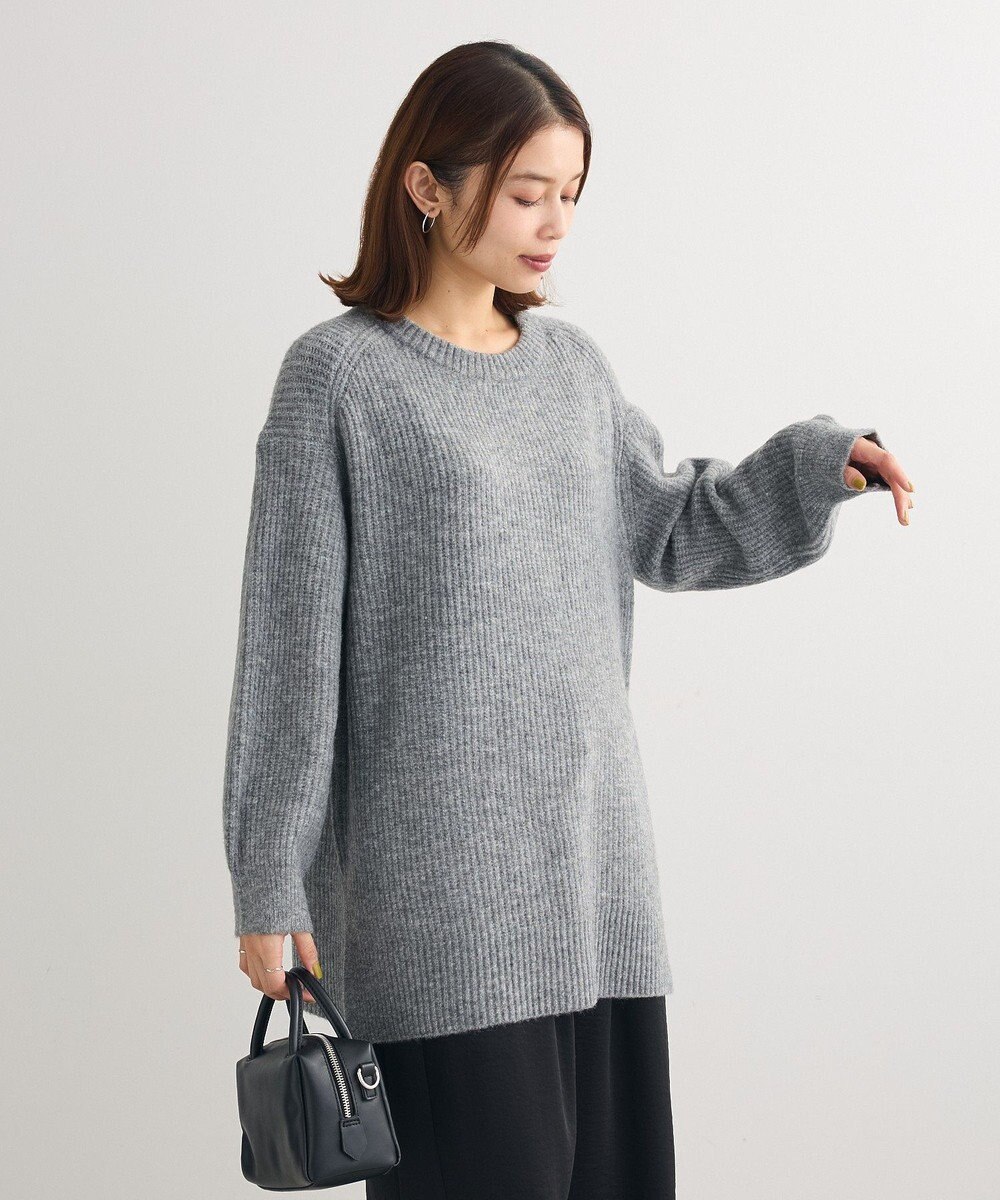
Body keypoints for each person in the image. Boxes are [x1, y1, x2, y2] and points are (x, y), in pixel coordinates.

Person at [222, 40, 913, 1200]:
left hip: (596, 892)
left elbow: (672, 524)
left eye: (572, 194)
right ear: (426, 184)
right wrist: (267, 884)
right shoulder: (338, 380)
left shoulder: (572, 369)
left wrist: (816, 463)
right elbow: (288, 658)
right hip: (439, 912)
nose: (554, 224)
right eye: (526, 192)